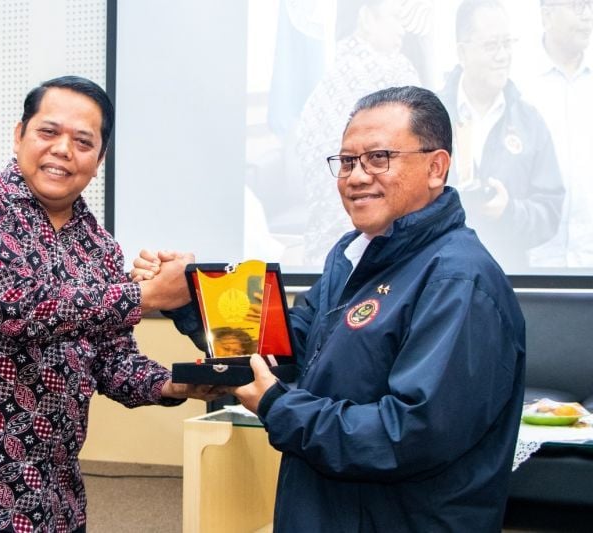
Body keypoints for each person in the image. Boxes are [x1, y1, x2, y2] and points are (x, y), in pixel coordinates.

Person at [134, 86, 526, 532]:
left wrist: (279, 408)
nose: (356, 176)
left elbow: (408, 434)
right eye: (346, 161)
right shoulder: (353, 255)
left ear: (436, 167)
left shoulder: (460, 281)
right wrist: (192, 295)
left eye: (379, 157)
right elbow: (290, 347)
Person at [0, 76, 223, 533]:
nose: (63, 149)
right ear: (19, 135)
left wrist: (176, 385)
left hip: (52, 500)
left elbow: (112, 362)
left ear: (99, 158)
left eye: (82, 140)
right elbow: (14, 310)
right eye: (49, 132)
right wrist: (147, 295)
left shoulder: (100, 248)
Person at [295, 0, 428, 266]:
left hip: (322, 254)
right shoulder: (394, 70)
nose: (403, 29)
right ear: (367, 19)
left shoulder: (327, 76)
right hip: (383, 255)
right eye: (394, 17)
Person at [439, 0, 564, 272]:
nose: (503, 55)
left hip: (507, 280)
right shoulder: (431, 116)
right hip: (439, 278)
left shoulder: (530, 122)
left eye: (507, 44)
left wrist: (508, 213)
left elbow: (550, 210)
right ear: (462, 52)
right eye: (491, 45)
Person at [520, 0, 593, 267]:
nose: (587, 16)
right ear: (547, 15)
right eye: (577, 6)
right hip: (534, 261)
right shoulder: (519, 80)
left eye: (589, 6)